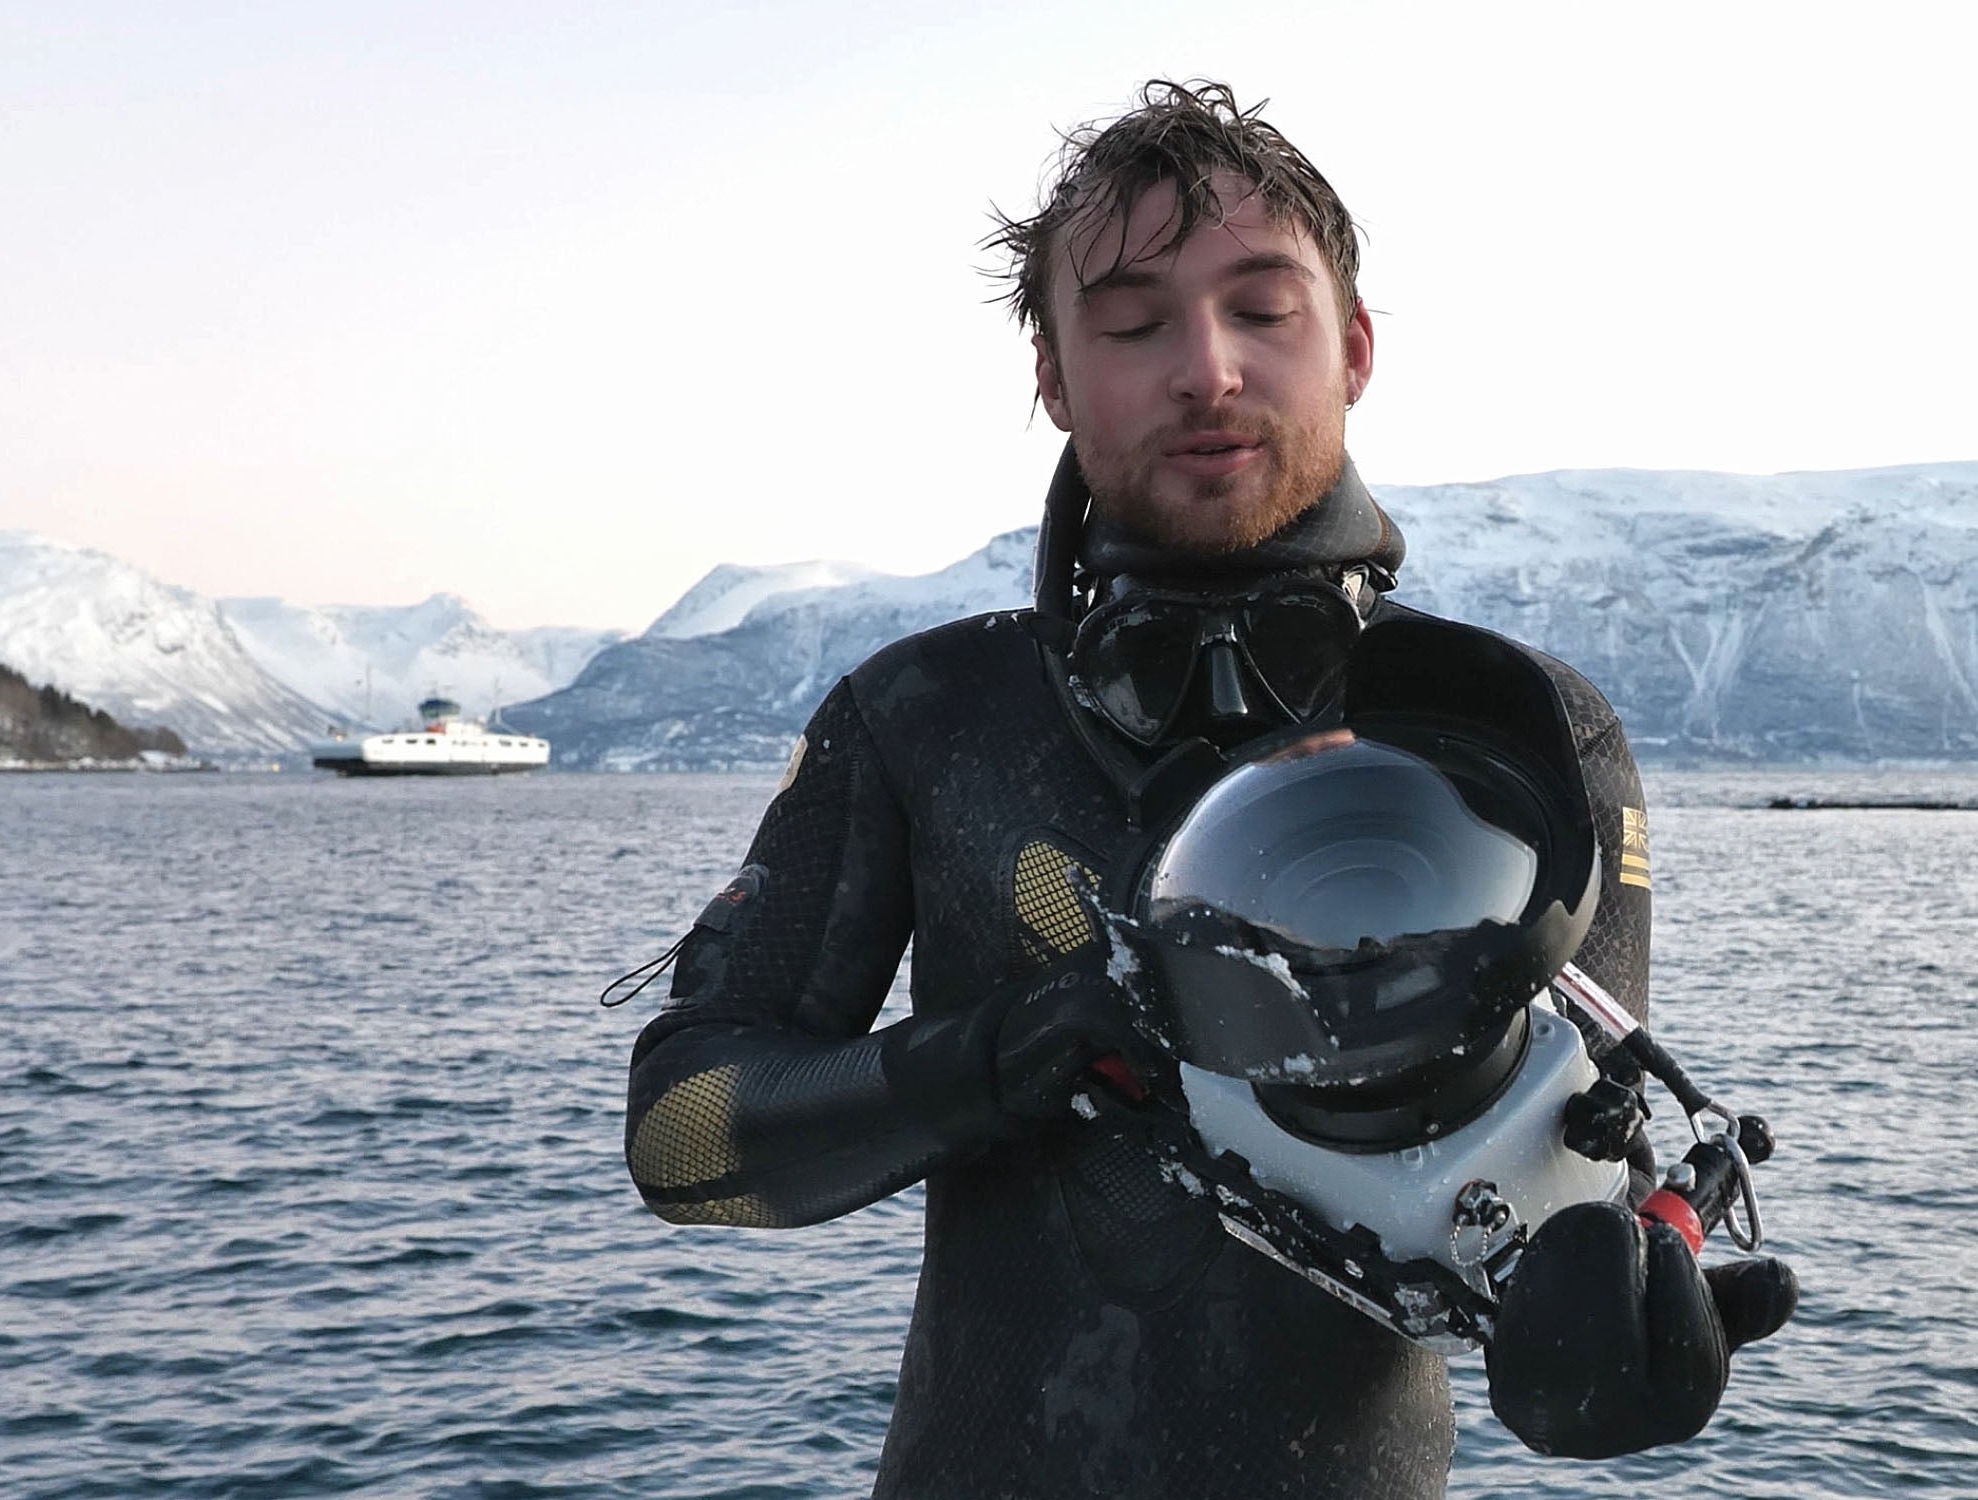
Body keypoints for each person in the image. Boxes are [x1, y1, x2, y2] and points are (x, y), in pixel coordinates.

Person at [624, 79, 1795, 1497]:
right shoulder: (923, 717)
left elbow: (1557, 1216)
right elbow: (686, 1139)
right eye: (1129, 324)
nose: (1206, 370)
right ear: (1052, 376)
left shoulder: (1524, 736)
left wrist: (1605, 1354)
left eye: (1263, 310)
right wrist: (1023, 1051)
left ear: (1354, 348)